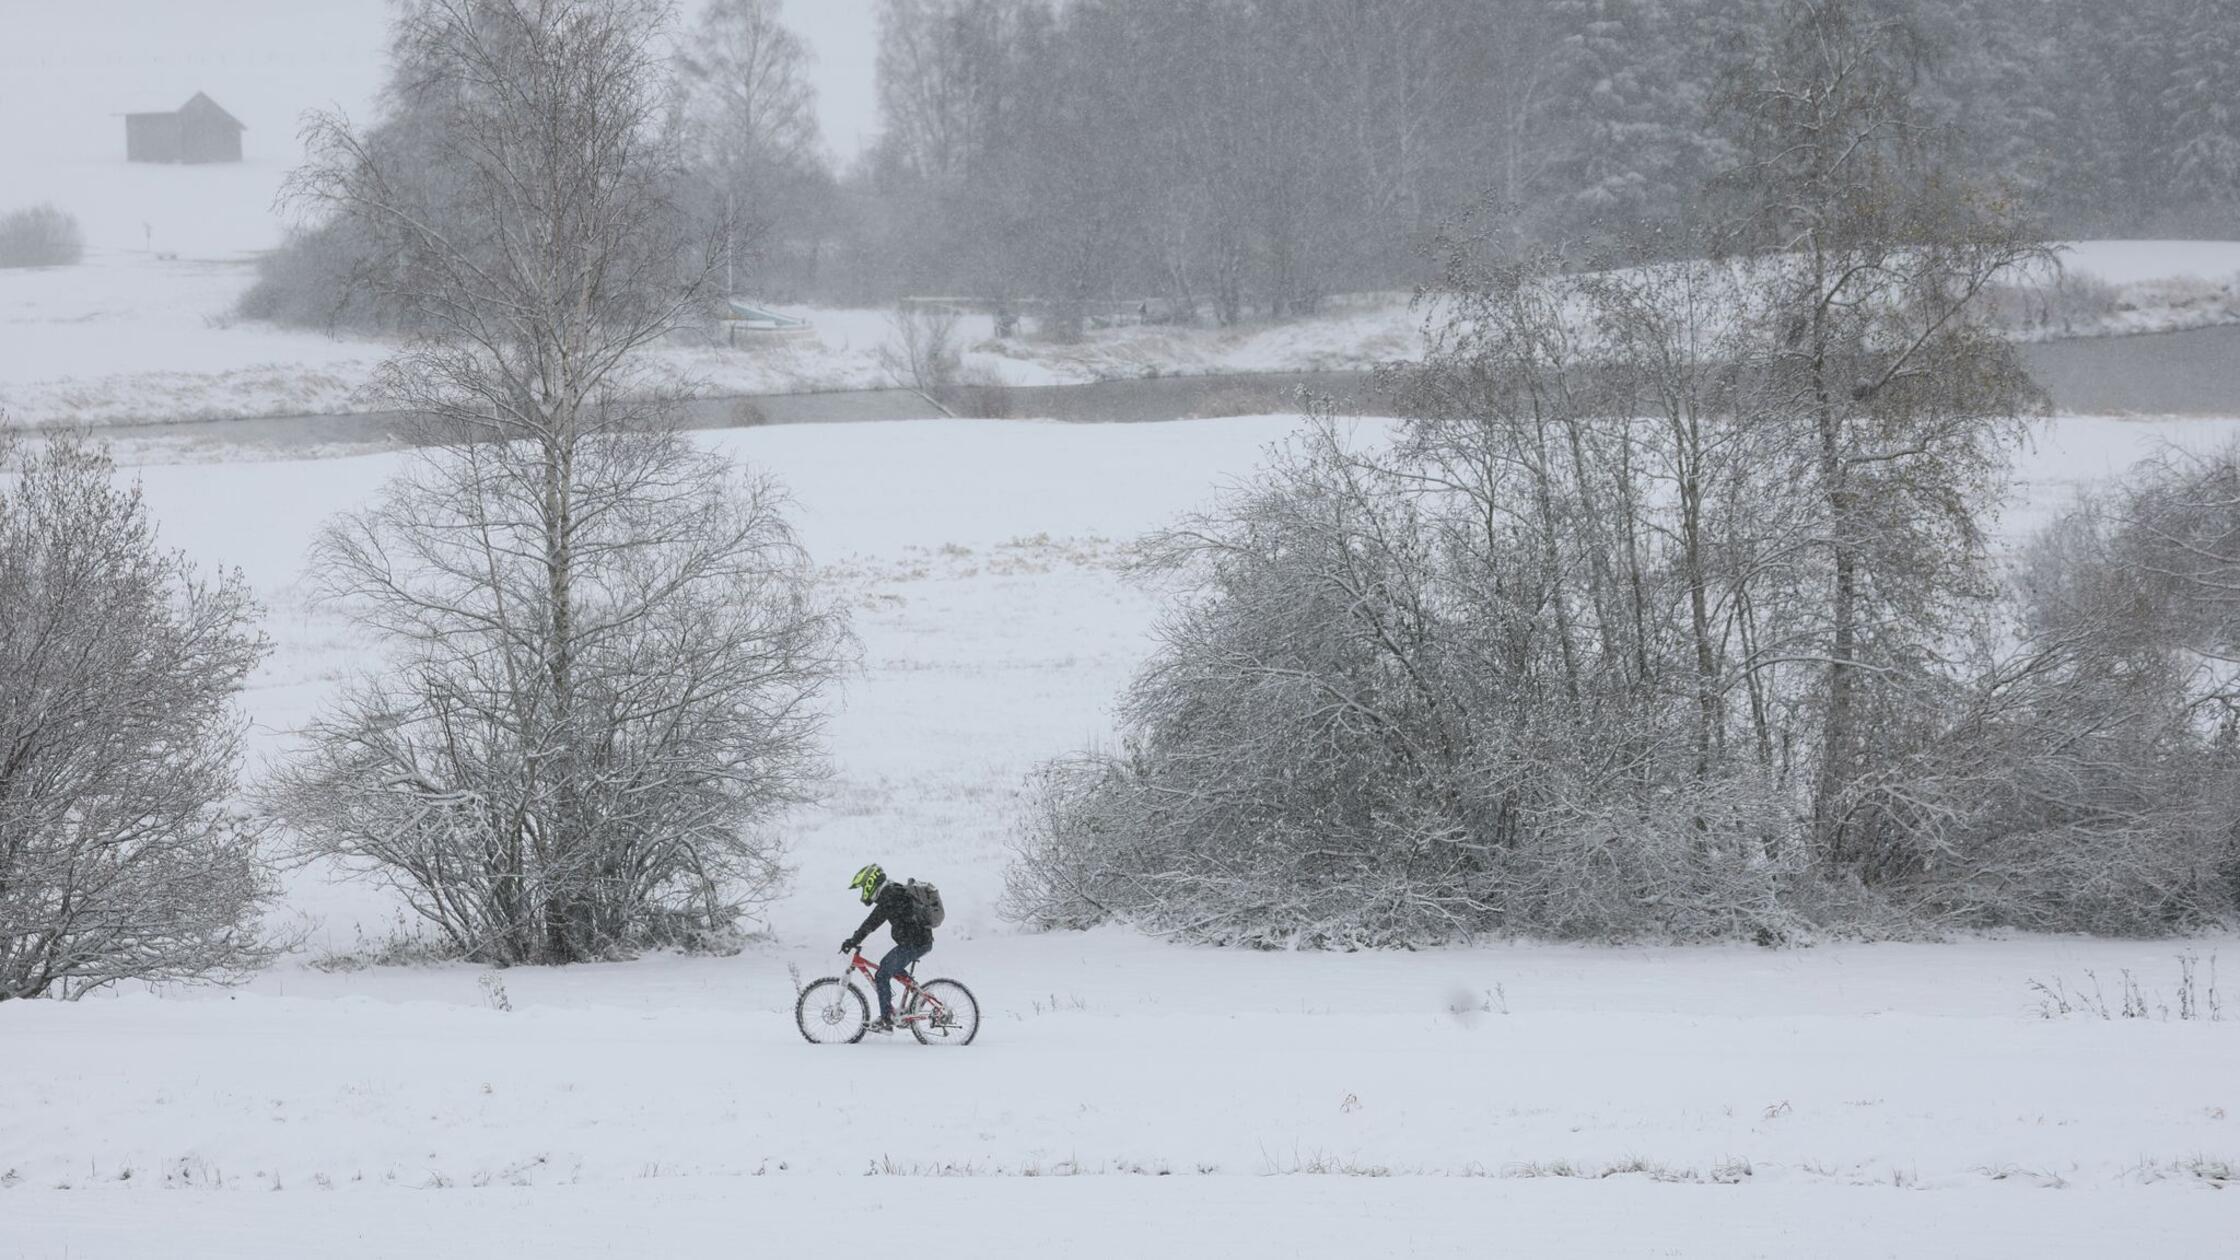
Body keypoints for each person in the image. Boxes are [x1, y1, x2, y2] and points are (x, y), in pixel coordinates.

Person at [841, 863, 934, 1034]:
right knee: (887, 965)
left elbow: (872, 922)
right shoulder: (892, 892)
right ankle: (915, 994)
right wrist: (855, 939)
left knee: (882, 975)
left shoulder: (890, 895)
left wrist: (853, 940)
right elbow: (873, 921)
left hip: (915, 943)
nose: (863, 892)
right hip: (917, 941)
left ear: (871, 883)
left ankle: (886, 1020)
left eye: (863, 887)